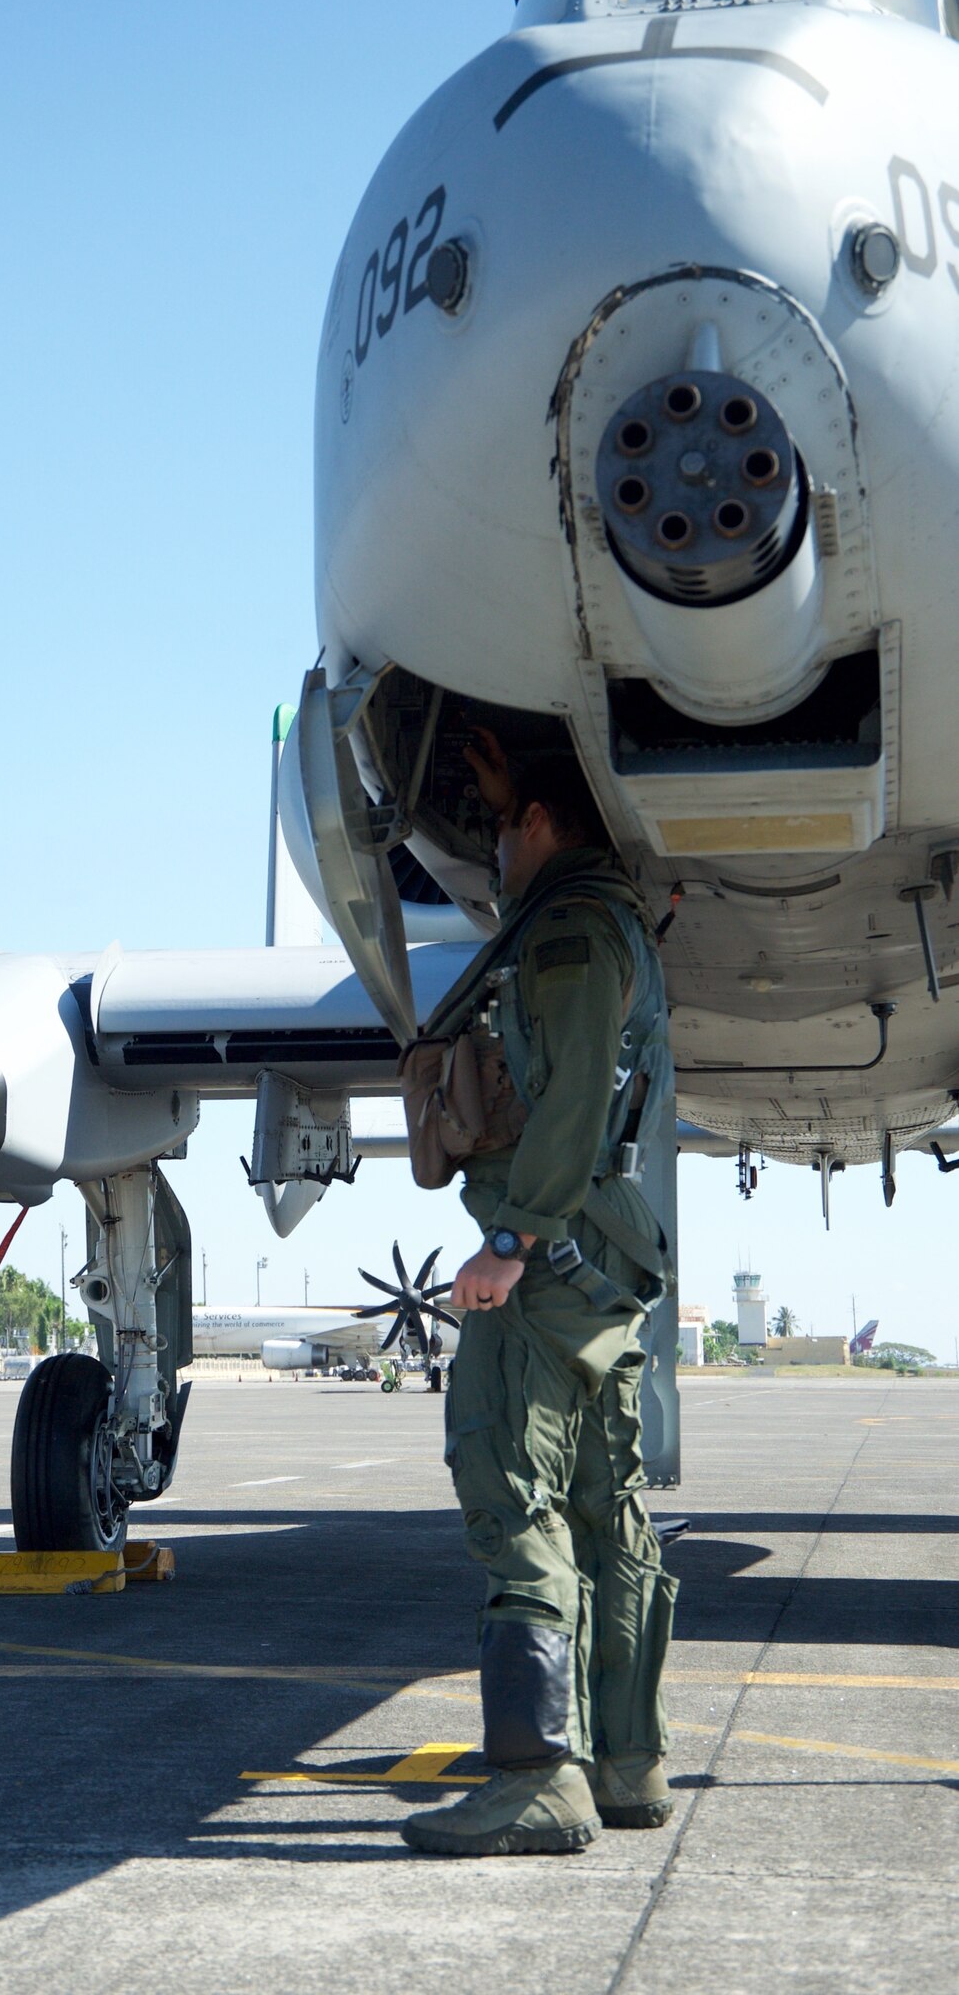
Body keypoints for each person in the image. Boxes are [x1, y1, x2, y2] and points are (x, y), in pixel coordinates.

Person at [401, 729, 678, 1858]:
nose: (490, 853)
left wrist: (510, 1240)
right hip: (604, 1265)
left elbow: (566, 1101)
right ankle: (625, 1762)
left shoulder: (565, 927)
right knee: (612, 1517)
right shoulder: (608, 919)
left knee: (512, 1497)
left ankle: (533, 1775)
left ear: (541, 825)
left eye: (501, 823)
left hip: (548, 1266)